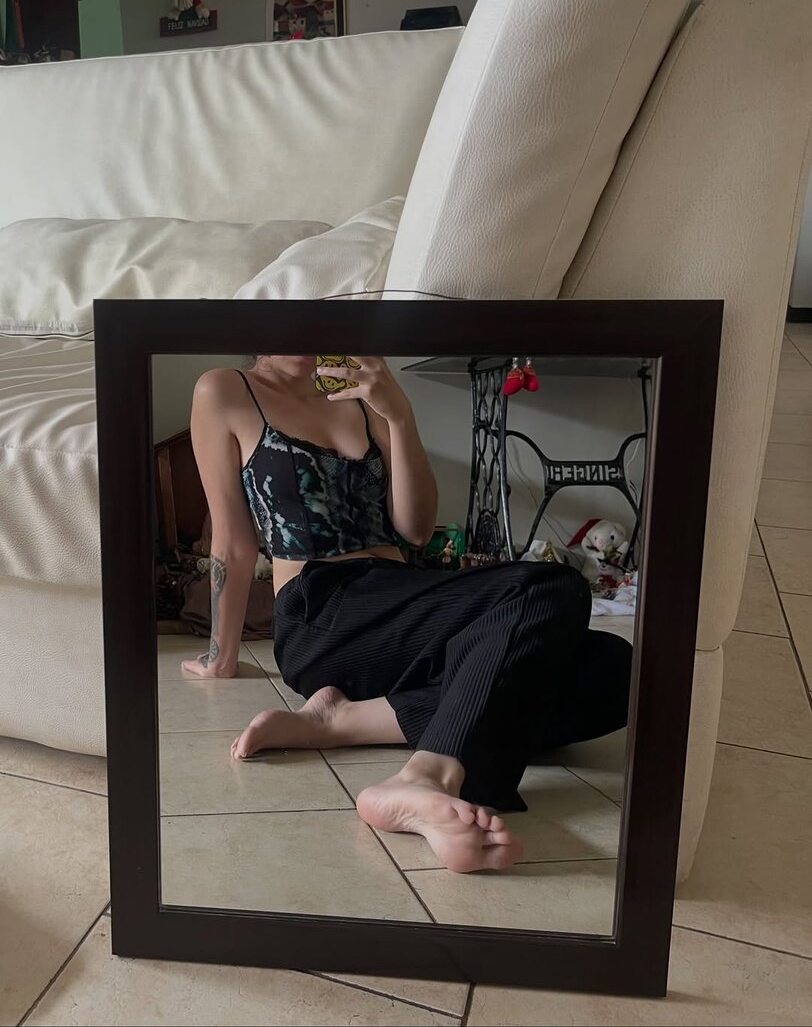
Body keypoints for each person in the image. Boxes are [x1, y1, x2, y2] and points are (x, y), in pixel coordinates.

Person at [182, 355, 632, 873]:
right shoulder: (226, 390)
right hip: (321, 609)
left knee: (616, 668)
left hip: (401, 598)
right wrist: (220, 656)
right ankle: (429, 775)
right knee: (549, 585)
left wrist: (398, 413)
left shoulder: (360, 387)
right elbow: (234, 543)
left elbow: (415, 530)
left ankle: (345, 722)